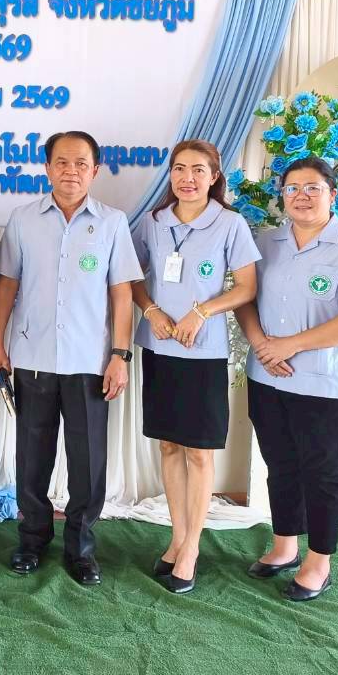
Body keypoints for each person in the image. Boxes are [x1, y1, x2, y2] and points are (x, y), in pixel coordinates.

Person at [0, 130, 141, 585]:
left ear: (95, 170)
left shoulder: (112, 223)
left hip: (90, 361)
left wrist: (120, 355)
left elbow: (122, 294)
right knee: (32, 456)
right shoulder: (23, 219)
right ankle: (32, 539)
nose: (71, 172)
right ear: (47, 168)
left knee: (88, 461)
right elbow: (7, 285)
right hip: (32, 356)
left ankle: (81, 548)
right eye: (62, 163)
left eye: (81, 164)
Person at [235, 156, 338, 602]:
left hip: (326, 385)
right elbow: (244, 299)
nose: (301, 196)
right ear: (282, 195)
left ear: (332, 195)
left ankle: (319, 562)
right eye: (292, 188)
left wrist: (290, 345)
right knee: (279, 464)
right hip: (268, 378)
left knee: (321, 472)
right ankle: (283, 547)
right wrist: (262, 345)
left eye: (312, 188)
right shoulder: (266, 242)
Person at [129, 140, 259, 594]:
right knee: (168, 446)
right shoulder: (153, 222)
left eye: (198, 170)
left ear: (214, 177)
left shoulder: (230, 223)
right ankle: (177, 538)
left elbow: (246, 287)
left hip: (203, 353)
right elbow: (131, 278)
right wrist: (150, 311)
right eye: (180, 169)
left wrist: (201, 312)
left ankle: (192, 549)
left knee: (199, 452)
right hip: (160, 348)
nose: (188, 178)